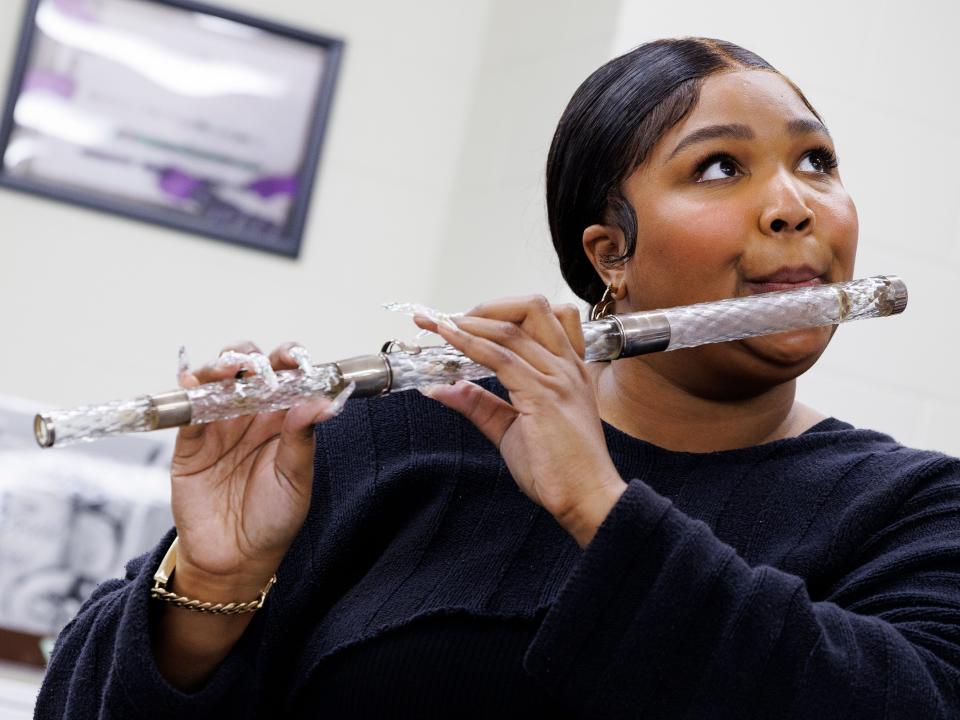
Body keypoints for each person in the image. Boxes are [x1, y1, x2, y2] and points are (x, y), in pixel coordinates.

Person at [35, 38, 960, 719]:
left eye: (817, 162)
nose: (796, 206)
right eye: (721, 166)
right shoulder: (389, 440)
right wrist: (215, 580)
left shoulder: (914, 511)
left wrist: (599, 505)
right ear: (610, 254)